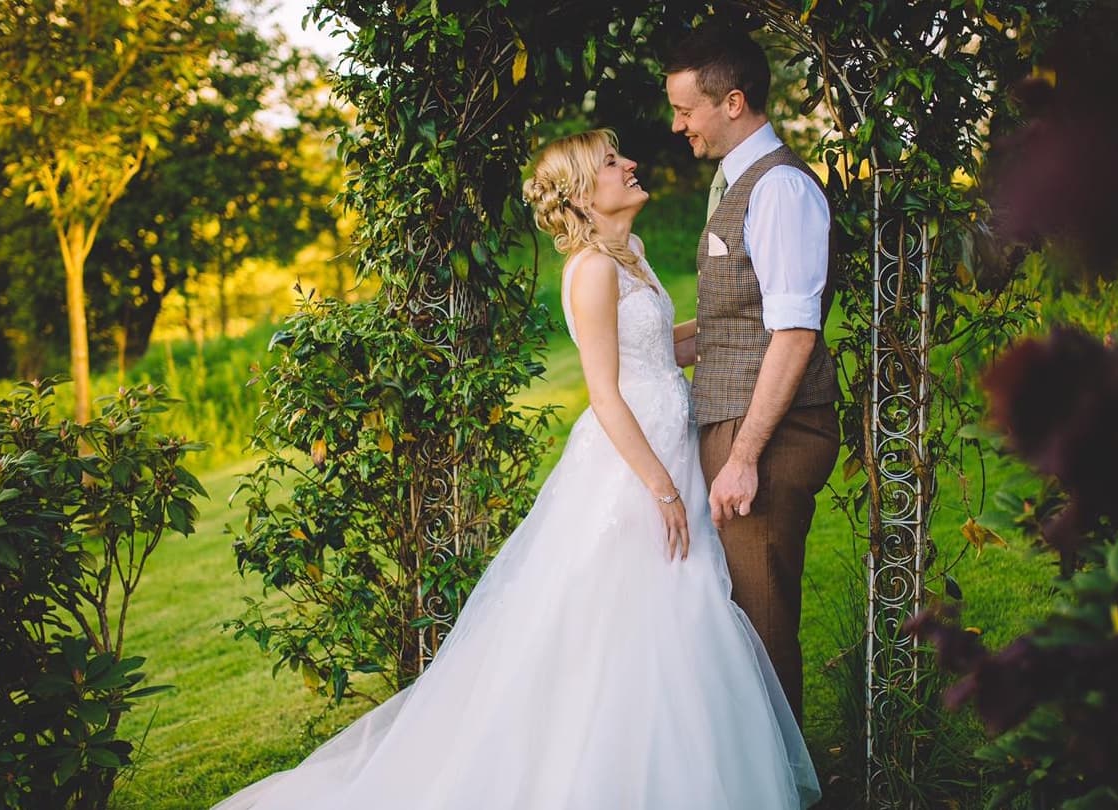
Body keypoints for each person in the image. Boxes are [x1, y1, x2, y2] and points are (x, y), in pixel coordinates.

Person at [213, 129, 821, 809]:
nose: (631, 164)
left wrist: (749, 326)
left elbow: (656, 347)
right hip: (633, 460)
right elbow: (604, 391)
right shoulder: (590, 270)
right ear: (586, 194)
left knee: (680, 606)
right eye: (614, 162)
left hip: (668, 434)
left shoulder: (632, 254)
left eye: (624, 155)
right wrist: (662, 488)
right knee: (627, 612)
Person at [664, 27, 843, 724]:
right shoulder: (737, 182)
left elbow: (794, 332)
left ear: (732, 102)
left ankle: (782, 793)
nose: (678, 124)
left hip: (767, 434)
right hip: (736, 420)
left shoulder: (781, 192)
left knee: (762, 628)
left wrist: (744, 458)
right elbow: (739, 320)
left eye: (687, 110)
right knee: (736, 621)